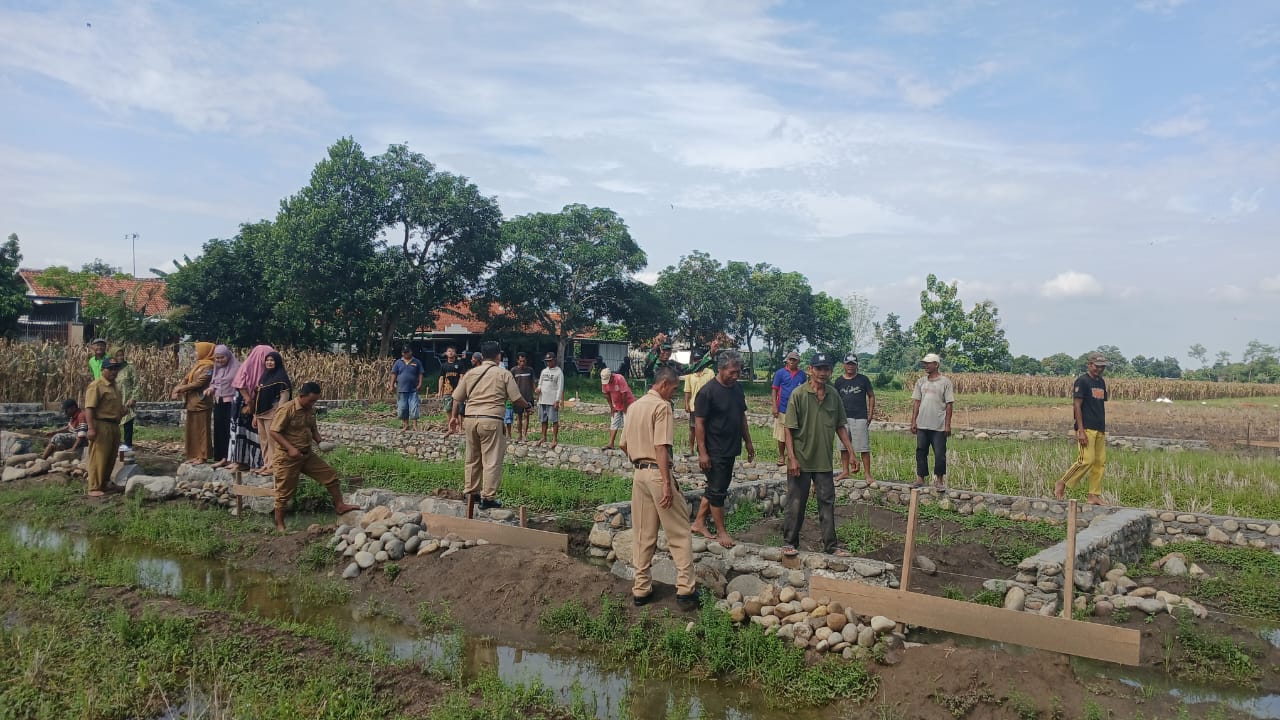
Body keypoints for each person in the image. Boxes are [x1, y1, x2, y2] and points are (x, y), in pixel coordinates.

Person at [620, 364, 698, 610]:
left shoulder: (634, 407)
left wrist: (638, 456)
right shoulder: (661, 406)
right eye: (674, 389)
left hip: (639, 474)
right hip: (656, 473)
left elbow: (623, 443)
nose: (674, 394)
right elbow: (662, 447)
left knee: (643, 534)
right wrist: (666, 482)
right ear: (664, 384)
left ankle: (641, 588)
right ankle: (685, 589)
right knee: (679, 531)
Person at [782, 353, 854, 558]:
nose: (823, 373)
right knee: (796, 503)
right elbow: (788, 429)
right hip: (801, 460)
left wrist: (851, 452)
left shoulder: (833, 395)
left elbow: (840, 426)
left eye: (827, 369)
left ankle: (831, 546)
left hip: (823, 461)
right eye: (819, 368)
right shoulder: (798, 394)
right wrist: (792, 458)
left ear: (831, 371)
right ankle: (789, 542)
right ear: (810, 370)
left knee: (827, 504)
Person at [267, 381, 360, 532]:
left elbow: (313, 429)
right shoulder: (287, 409)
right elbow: (274, 431)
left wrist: (321, 442)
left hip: (306, 454)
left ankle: (340, 505)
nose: (313, 403)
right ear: (301, 396)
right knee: (284, 492)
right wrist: (290, 448)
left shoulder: (311, 410)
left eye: (315, 400)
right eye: (311, 400)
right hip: (287, 457)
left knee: (330, 476)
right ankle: (280, 525)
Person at [448, 341, 529, 509]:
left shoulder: (471, 373)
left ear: (482, 356)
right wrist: (528, 406)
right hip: (491, 419)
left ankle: (471, 493)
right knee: (491, 459)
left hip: (470, 419)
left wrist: (454, 417)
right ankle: (488, 498)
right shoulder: (503, 374)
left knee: (472, 457)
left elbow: (457, 397)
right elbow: (516, 398)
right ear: (498, 356)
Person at [690, 350, 756, 548]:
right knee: (718, 491)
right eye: (732, 372)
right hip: (714, 449)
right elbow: (699, 424)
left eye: (739, 372)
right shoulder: (707, 392)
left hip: (731, 447)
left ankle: (699, 522)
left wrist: (748, 441)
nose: (736, 376)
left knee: (716, 487)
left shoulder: (737, 389)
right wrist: (702, 452)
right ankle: (721, 531)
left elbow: (741, 416)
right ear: (720, 369)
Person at [1055, 352, 1110, 506]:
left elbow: (1099, 405)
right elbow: (1077, 405)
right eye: (1097, 366)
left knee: (1099, 462)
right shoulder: (1082, 381)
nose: (1100, 369)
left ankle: (1093, 495)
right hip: (1086, 427)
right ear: (1090, 365)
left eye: (1102, 367)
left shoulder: (1101, 382)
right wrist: (1080, 430)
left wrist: (1103, 427)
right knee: (1086, 460)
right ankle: (1063, 482)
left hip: (1099, 427)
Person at [909, 352, 954, 490]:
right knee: (921, 451)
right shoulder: (921, 382)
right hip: (922, 423)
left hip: (939, 425)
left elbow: (949, 404)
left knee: (940, 453)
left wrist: (947, 425)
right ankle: (920, 478)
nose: (926, 366)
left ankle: (939, 480)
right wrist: (913, 421)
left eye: (928, 363)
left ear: (936, 364)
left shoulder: (945, 382)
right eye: (925, 364)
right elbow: (916, 402)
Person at [83, 359, 125, 498]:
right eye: (110, 369)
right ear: (103, 370)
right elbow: (89, 408)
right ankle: (94, 486)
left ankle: (105, 482)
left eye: (116, 369)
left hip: (114, 425)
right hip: (101, 425)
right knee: (99, 456)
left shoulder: (115, 387)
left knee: (111, 456)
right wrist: (91, 428)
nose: (114, 372)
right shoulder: (96, 386)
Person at [230, 344, 274, 473]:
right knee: (246, 434)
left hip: (253, 404)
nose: (268, 361)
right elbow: (241, 385)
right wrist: (250, 403)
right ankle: (246, 462)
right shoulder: (248, 366)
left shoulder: (266, 371)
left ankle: (253, 462)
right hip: (246, 405)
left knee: (254, 435)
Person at [171, 342, 214, 465]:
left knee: (202, 430)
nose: (195, 353)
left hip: (202, 402)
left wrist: (180, 389)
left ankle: (203, 455)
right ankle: (194, 454)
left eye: (197, 350)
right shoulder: (198, 365)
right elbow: (186, 378)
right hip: (192, 402)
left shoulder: (209, 367)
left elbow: (199, 383)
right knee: (193, 430)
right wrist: (177, 387)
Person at [834, 355, 875, 482]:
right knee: (843, 447)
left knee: (864, 447)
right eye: (848, 364)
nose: (850, 366)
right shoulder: (839, 381)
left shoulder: (863, 379)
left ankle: (867, 474)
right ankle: (845, 471)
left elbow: (871, 396)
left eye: (853, 364)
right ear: (844, 365)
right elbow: (835, 399)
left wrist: (870, 414)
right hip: (843, 417)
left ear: (856, 365)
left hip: (860, 417)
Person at [253, 351, 293, 477]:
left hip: (272, 413)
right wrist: (255, 415)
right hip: (261, 413)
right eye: (267, 360)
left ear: (277, 362)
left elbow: (284, 397)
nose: (269, 362)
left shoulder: (281, 378)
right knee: (264, 441)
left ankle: (274, 466)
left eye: (272, 360)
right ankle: (266, 464)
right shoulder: (264, 376)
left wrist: (279, 414)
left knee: (272, 441)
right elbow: (258, 396)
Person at [771, 350, 807, 465]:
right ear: (787, 360)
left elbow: (805, 391)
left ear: (798, 361)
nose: (792, 361)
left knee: (796, 434)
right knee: (781, 435)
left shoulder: (802, 375)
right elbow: (774, 390)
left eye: (794, 360)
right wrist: (774, 407)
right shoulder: (780, 373)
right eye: (790, 359)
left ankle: (794, 457)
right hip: (782, 407)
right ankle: (781, 456)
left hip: (798, 409)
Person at [207, 345, 240, 468]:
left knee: (229, 431)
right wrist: (210, 389)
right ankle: (221, 457)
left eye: (222, 357)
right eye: (217, 358)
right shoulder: (217, 367)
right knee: (219, 430)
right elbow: (214, 382)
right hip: (218, 401)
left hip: (231, 402)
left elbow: (239, 384)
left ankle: (230, 458)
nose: (220, 360)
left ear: (228, 356)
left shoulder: (236, 367)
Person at [682, 353, 714, 454]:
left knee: (706, 428)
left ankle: (703, 449)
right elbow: (687, 390)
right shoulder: (690, 374)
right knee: (692, 428)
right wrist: (686, 403)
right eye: (695, 359)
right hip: (694, 406)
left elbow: (713, 389)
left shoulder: (710, 373)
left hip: (707, 406)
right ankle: (691, 449)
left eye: (699, 359)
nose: (697, 361)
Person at [110, 350, 141, 454]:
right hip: (115, 398)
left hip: (127, 398)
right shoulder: (112, 369)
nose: (120, 357)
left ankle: (128, 444)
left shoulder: (129, 367)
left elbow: (136, 383)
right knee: (114, 422)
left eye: (121, 355)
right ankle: (115, 443)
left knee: (128, 421)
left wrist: (134, 397)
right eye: (117, 355)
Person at [599, 367, 635, 449]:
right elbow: (607, 395)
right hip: (616, 404)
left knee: (627, 424)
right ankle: (611, 443)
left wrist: (625, 408)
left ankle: (629, 445)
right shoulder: (605, 382)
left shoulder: (619, 378)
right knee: (614, 423)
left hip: (628, 403)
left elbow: (624, 394)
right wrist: (611, 407)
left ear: (611, 375)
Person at [390, 346, 425, 431]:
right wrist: (391, 385)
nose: (406, 354)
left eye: (408, 352)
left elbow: (420, 373)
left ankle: (415, 426)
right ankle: (406, 425)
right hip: (401, 389)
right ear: (402, 353)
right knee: (402, 408)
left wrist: (420, 383)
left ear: (411, 352)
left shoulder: (416, 362)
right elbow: (394, 374)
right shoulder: (398, 362)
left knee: (414, 407)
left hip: (413, 389)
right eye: (404, 352)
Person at [535, 352, 564, 448]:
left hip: (552, 400)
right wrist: (538, 389)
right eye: (547, 361)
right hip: (543, 399)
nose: (548, 363)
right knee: (543, 420)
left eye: (550, 361)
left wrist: (557, 400)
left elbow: (560, 387)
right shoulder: (544, 371)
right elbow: (540, 383)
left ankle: (554, 438)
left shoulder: (558, 372)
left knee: (554, 420)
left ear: (554, 360)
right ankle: (543, 437)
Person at [511, 352, 536, 441]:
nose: (522, 363)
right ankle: (519, 435)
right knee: (519, 416)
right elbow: (511, 384)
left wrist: (535, 393)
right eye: (520, 361)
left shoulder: (530, 370)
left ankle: (525, 435)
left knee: (527, 415)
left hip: (528, 396)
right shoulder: (514, 370)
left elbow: (533, 382)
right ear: (517, 361)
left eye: (524, 361)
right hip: (518, 397)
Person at [437, 346, 465, 418]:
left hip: (458, 390)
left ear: (455, 353)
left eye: (452, 351)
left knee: (459, 409)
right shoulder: (443, 366)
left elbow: (462, 377)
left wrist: (459, 388)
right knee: (448, 409)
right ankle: (450, 425)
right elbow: (441, 378)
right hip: (447, 391)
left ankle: (459, 426)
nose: (451, 353)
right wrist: (439, 391)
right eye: (449, 351)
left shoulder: (460, 364)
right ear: (446, 353)